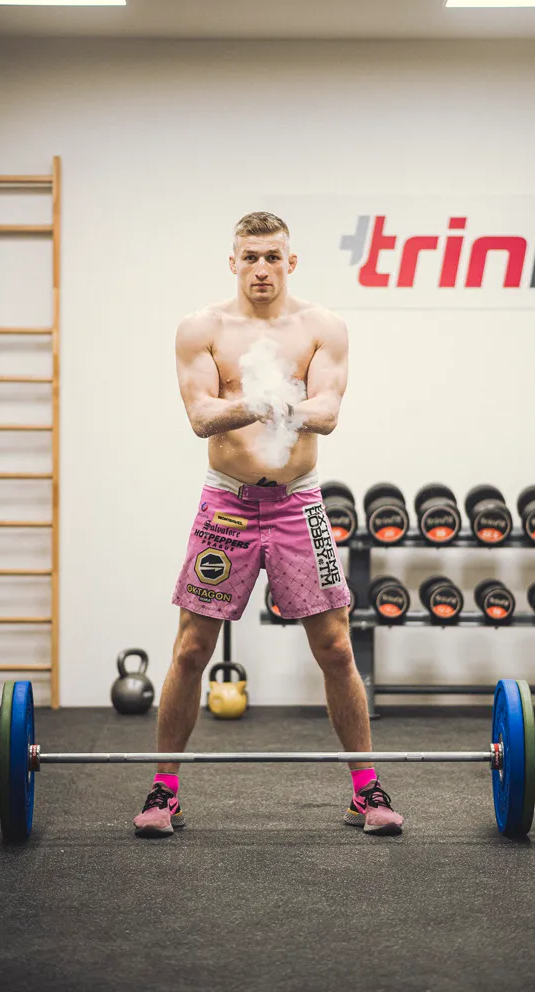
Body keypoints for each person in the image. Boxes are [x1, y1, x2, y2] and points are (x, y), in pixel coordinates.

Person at [133, 211, 403, 838]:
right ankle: (163, 792)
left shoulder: (322, 327)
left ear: (291, 262)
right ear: (233, 261)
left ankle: (366, 791)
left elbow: (327, 411)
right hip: (226, 503)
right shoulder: (202, 329)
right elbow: (201, 416)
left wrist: (285, 406)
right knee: (191, 648)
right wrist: (256, 403)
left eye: (272, 257)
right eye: (250, 257)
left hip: (299, 504)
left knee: (336, 646)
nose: (261, 269)